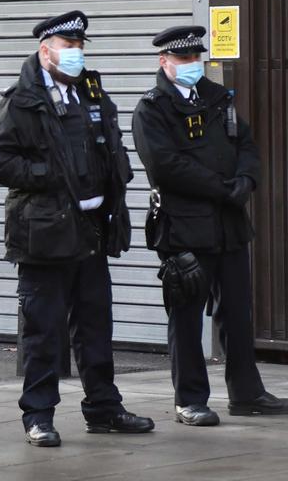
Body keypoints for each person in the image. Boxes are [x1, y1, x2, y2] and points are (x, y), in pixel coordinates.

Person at [0, 10, 154, 447]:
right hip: (44, 234)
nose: (76, 54)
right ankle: (38, 416)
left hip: (91, 230)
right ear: (46, 50)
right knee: (43, 330)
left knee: (96, 324)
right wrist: (49, 175)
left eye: (80, 46)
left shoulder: (90, 94)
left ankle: (103, 408)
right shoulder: (22, 100)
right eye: (68, 46)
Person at [132, 25, 286, 426]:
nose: (192, 65)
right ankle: (190, 400)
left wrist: (246, 181)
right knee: (185, 315)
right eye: (183, 59)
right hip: (185, 226)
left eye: (196, 58)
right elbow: (165, 165)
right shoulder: (152, 108)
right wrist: (221, 188)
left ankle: (246, 392)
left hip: (229, 223)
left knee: (237, 313)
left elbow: (247, 146)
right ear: (163, 62)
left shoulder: (219, 100)